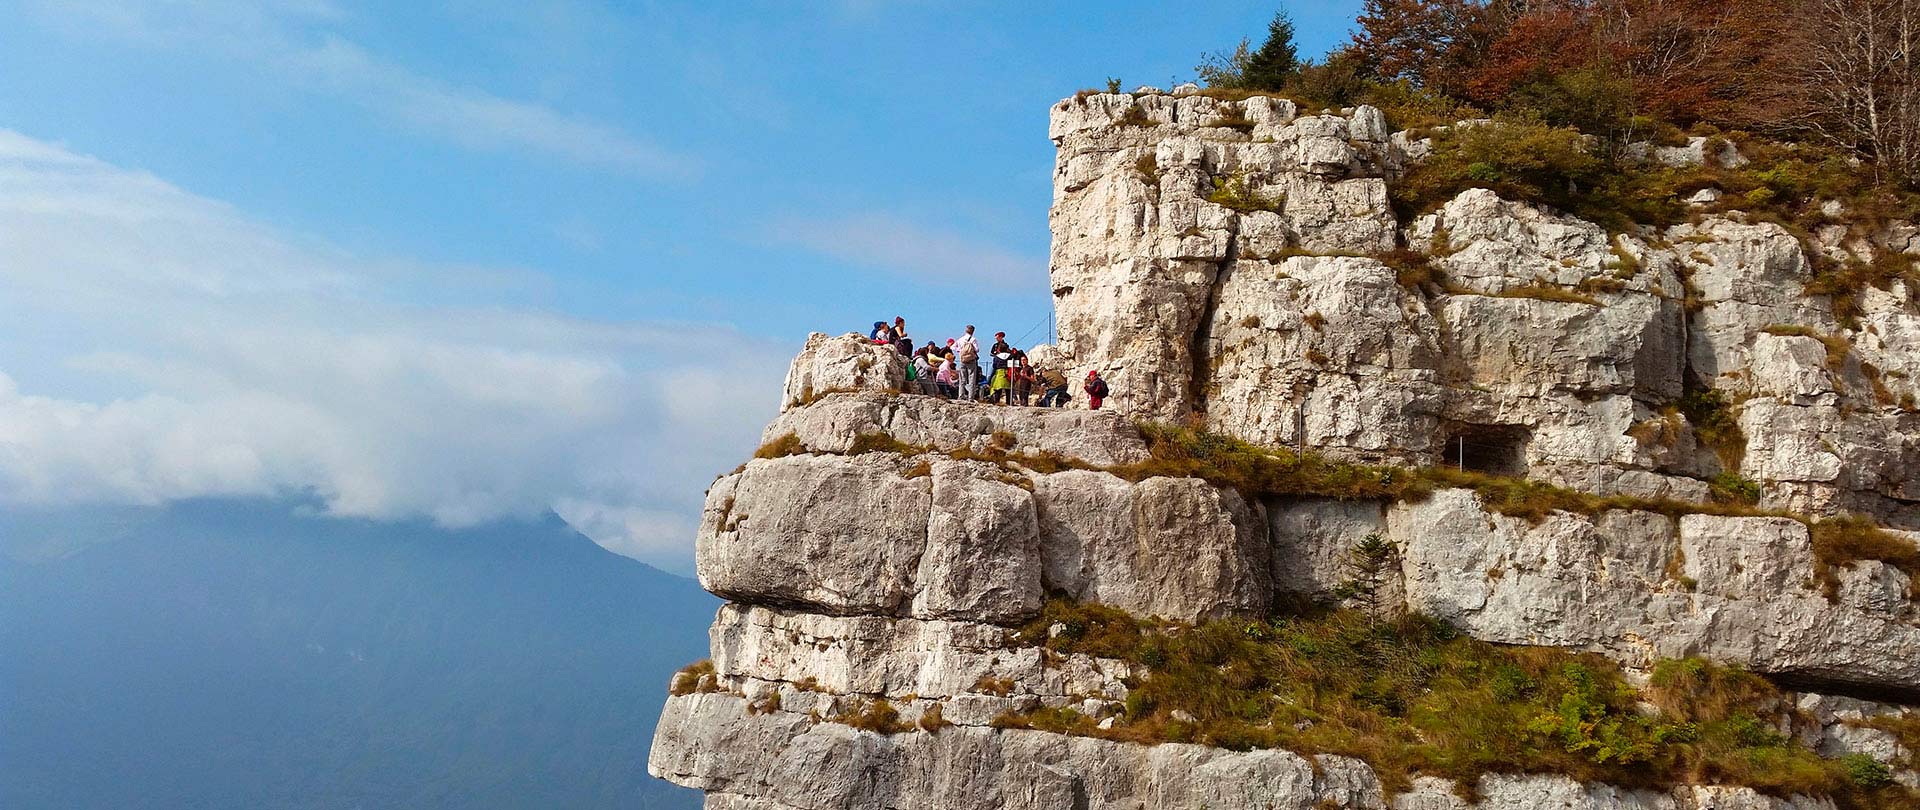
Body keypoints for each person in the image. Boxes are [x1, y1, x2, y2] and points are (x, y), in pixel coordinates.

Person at [955, 326, 980, 401]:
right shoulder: (973, 339)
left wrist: (960, 350)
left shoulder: (960, 339)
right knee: (971, 377)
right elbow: (977, 349)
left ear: (966, 330)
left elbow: (953, 347)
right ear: (973, 331)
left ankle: (961, 395)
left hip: (962, 359)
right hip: (971, 360)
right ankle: (970, 397)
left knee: (962, 378)